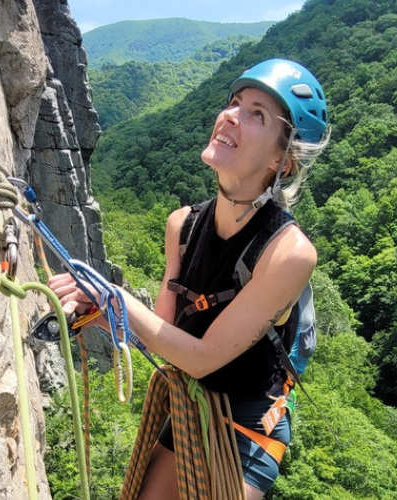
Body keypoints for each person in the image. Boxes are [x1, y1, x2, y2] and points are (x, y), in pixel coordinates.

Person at [48, 58, 330, 500]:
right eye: (235, 102)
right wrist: (104, 314)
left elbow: (201, 357)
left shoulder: (289, 253)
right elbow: (169, 338)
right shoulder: (182, 225)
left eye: (257, 114)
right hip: (191, 399)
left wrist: (115, 296)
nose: (232, 115)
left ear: (283, 159)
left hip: (249, 422)